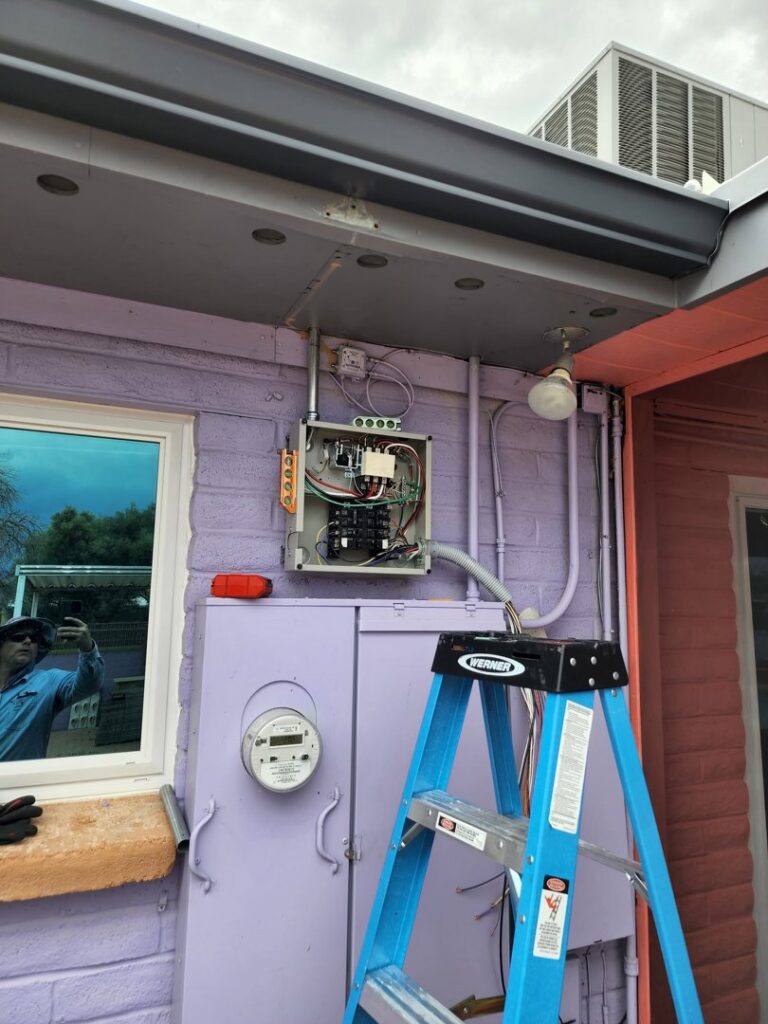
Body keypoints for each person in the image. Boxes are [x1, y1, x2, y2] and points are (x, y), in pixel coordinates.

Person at [0, 615, 104, 761]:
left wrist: (87, 649)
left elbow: (89, 684)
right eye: (18, 637)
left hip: (20, 781)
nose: (28, 641)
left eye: (34, 638)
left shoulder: (50, 681)